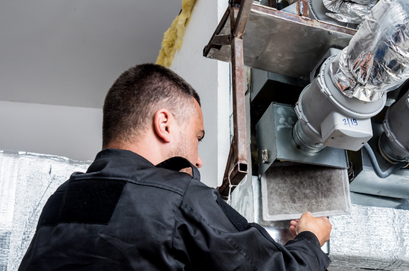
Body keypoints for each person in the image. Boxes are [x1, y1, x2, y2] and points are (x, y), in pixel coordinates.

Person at [19, 64, 332, 270]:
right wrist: (310, 239)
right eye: (197, 137)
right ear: (164, 124)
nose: (198, 160)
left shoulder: (60, 201)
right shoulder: (177, 196)